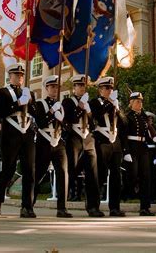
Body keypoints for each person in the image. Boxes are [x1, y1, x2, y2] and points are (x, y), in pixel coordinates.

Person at [0, 63, 37, 218]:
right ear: (9, 76)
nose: (20, 77)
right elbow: (0, 112)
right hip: (10, 133)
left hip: (27, 134)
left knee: (29, 171)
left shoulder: (29, 93)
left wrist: (29, 101)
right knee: (8, 170)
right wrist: (18, 103)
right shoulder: (3, 92)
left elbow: (35, 112)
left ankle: (27, 206)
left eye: (21, 75)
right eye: (16, 75)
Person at [62, 74, 103, 217]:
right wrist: (80, 107)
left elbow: (94, 123)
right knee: (71, 172)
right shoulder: (68, 102)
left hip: (88, 138)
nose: (81, 88)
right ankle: (63, 206)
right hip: (74, 138)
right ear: (74, 88)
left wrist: (89, 111)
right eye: (79, 86)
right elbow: (70, 118)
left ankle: (93, 207)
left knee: (93, 174)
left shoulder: (89, 102)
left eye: (83, 86)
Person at [34, 75, 71, 218]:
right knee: (38, 173)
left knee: (63, 174)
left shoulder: (60, 106)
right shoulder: (40, 104)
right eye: (52, 86)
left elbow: (67, 126)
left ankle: (62, 208)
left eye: (56, 87)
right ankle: (29, 205)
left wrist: (61, 119)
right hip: (44, 141)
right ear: (46, 88)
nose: (54, 89)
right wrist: (51, 113)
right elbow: (41, 123)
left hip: (58, 141)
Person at [89, 76, 125, 217]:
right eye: (106, 88)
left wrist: (117, 108)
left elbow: (123, 122)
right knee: (100, 175)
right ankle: (93, 206)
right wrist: (111, 104)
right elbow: (96, 115)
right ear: (100, 90)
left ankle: (114, 207)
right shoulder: (95, 102)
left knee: (116, 176)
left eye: (111, 88)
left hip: (114, 141)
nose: (109, 90)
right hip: (101, 140)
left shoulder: (114, 103)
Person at [123, 92, 156, 216]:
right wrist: (126, 151)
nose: (140, 104)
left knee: (146, 178)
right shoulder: (127, 117)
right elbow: (124, 136)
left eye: (141, 101)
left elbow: (147, 131)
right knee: (132, 175)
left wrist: (153, 138)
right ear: (131, 103)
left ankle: (145, 207)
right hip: (132, 147)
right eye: (137, 101)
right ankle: (125, 193)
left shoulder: (143, 117)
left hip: (143, 147)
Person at [146, 111, 156, 203]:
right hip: (146, 153)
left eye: (150, 119)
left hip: (153, 153)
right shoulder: (143, 129)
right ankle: (147, 196)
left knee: (154, 177)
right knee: (146, 176)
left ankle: (155, 197)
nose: (149, 120)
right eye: (148, 119)